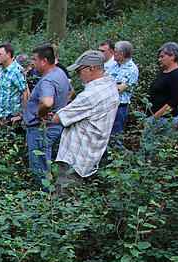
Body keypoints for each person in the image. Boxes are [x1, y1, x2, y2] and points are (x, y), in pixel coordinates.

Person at [49, 50, 119, 199]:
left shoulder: (90, 95)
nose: (77, 76)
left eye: (79, 71)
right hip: (91, 157)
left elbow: (58, 118)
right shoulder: (111, 88)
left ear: (91, 69)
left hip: (75, 159)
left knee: (66, 203)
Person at [22, 45, 72, 191]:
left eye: (34, 60)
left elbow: (47, 101)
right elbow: (71, 90)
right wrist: (60, 110)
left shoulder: (47, 80)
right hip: (55, 127)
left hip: (42, 130)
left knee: (40, 168)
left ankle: (44, 200)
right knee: (47, 164)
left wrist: (39, 114)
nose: (32, 63)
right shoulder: (60, 73)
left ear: (44, 61)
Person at [143, 42, 178, 155]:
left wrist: (154, 117)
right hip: (154, 118)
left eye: (162, 56)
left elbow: (175, 100)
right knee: (147, 149)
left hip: (164, 119)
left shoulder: (177, 75)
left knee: (156, 151)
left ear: (172, 56)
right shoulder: (164, 72)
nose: (159, 59)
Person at [109, 41, 139, 136]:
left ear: (122, 54)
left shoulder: (131, 69)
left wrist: (108, 84)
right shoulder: (113, 65)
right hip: (107, 105)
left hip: (119, 107)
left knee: (116, 136)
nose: (113, 54)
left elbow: (119, 90)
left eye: (115, 52)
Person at [0, 42, 29, 124]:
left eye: (0, 54)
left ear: (8, 54)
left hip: (12, 118)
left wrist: (21, 115)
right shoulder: (2, 71)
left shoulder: (17, 71)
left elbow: (26, 92)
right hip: (2, 115)